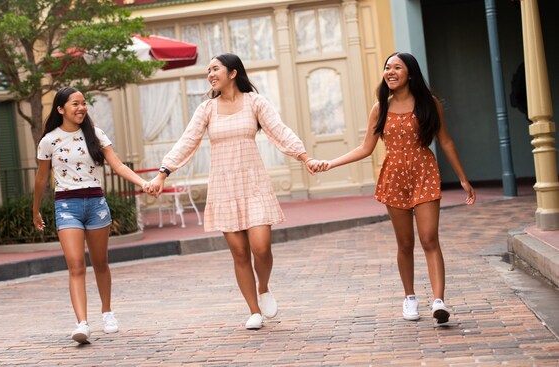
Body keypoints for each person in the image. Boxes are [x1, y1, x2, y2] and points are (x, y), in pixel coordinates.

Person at [148, 53, 319, 330]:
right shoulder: (206, 109)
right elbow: (187, 141)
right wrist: (163, 172)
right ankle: (254, 311)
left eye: (215, 69)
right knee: (240, 253)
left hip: (254, 183)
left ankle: (263, 287)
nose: (210, 74)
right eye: (208, 71)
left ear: (233, 73)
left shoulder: (255, 102)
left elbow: (279, 131)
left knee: (261, 248)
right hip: (224, 186)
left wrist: (304, 156)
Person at [316, 52, 476, 324]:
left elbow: (445, 141)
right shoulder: (380, 108)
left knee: (429, 238)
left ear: (410, 73)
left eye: (397, 68)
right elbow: (366, 148)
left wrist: (462, 178)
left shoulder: (429, 104)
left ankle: (439, 301)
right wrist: (330, 163)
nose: (390, 72)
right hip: (394, 177)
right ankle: (410, 298)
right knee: (405, 243)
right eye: (387, 68)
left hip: (424, 171)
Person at [33, 87, 152, 343]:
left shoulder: (95, 135)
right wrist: (35, 211)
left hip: (96, 204)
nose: (81, 108)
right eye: (75, 104)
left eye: (84, 103)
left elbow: (118, 165)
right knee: (76, 265)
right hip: (66, 206)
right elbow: (41, 178)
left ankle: (107, 312)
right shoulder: (49, 141)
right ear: (60, 109)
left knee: (100, 263)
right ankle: (82, 324)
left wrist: (143, 184)